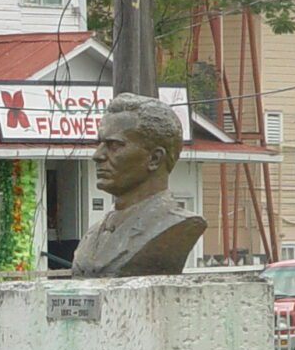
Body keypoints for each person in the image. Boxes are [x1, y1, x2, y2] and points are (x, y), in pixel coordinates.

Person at [68, 93, 207, 278]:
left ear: (154, 158)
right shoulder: (93, 233)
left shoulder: (173, 225)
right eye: (100, 143)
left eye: (114, 145)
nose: (97, 155)